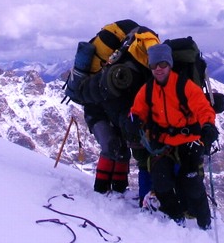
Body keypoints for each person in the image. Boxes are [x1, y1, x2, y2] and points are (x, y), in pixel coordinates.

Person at [64, 21, 159, 201]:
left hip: (103, 106)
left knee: (119, 148)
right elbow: (109, 102)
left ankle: (118, 192)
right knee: (112, 146)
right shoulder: (117, 76)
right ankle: (102, 192)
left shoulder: (131, 66)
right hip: (96, 108)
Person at [129, 43, 219, 230]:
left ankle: (205, 223)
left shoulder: (184, 86)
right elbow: (136, 111)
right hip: (164, 144)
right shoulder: (147, 90)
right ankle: (176, 217)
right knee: (161, 181)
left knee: (191, 182)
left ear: (169, 64)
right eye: (154, 65)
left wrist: (208, 125)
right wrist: (133, 121)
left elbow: (203, 109)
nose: (158, 69)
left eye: (162, 64)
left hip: (190, 141)